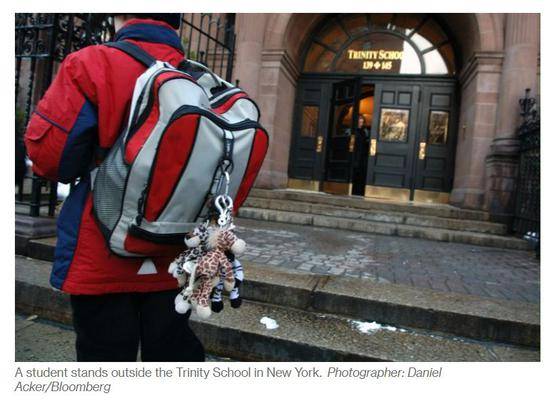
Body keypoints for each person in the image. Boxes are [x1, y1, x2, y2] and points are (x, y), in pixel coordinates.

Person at [24, 14, 205, 362]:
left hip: (103, 245)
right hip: (176, 251)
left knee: (104, 356)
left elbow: (51, 160)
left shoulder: (92, 63)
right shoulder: (202, 80)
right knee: (173, 353)